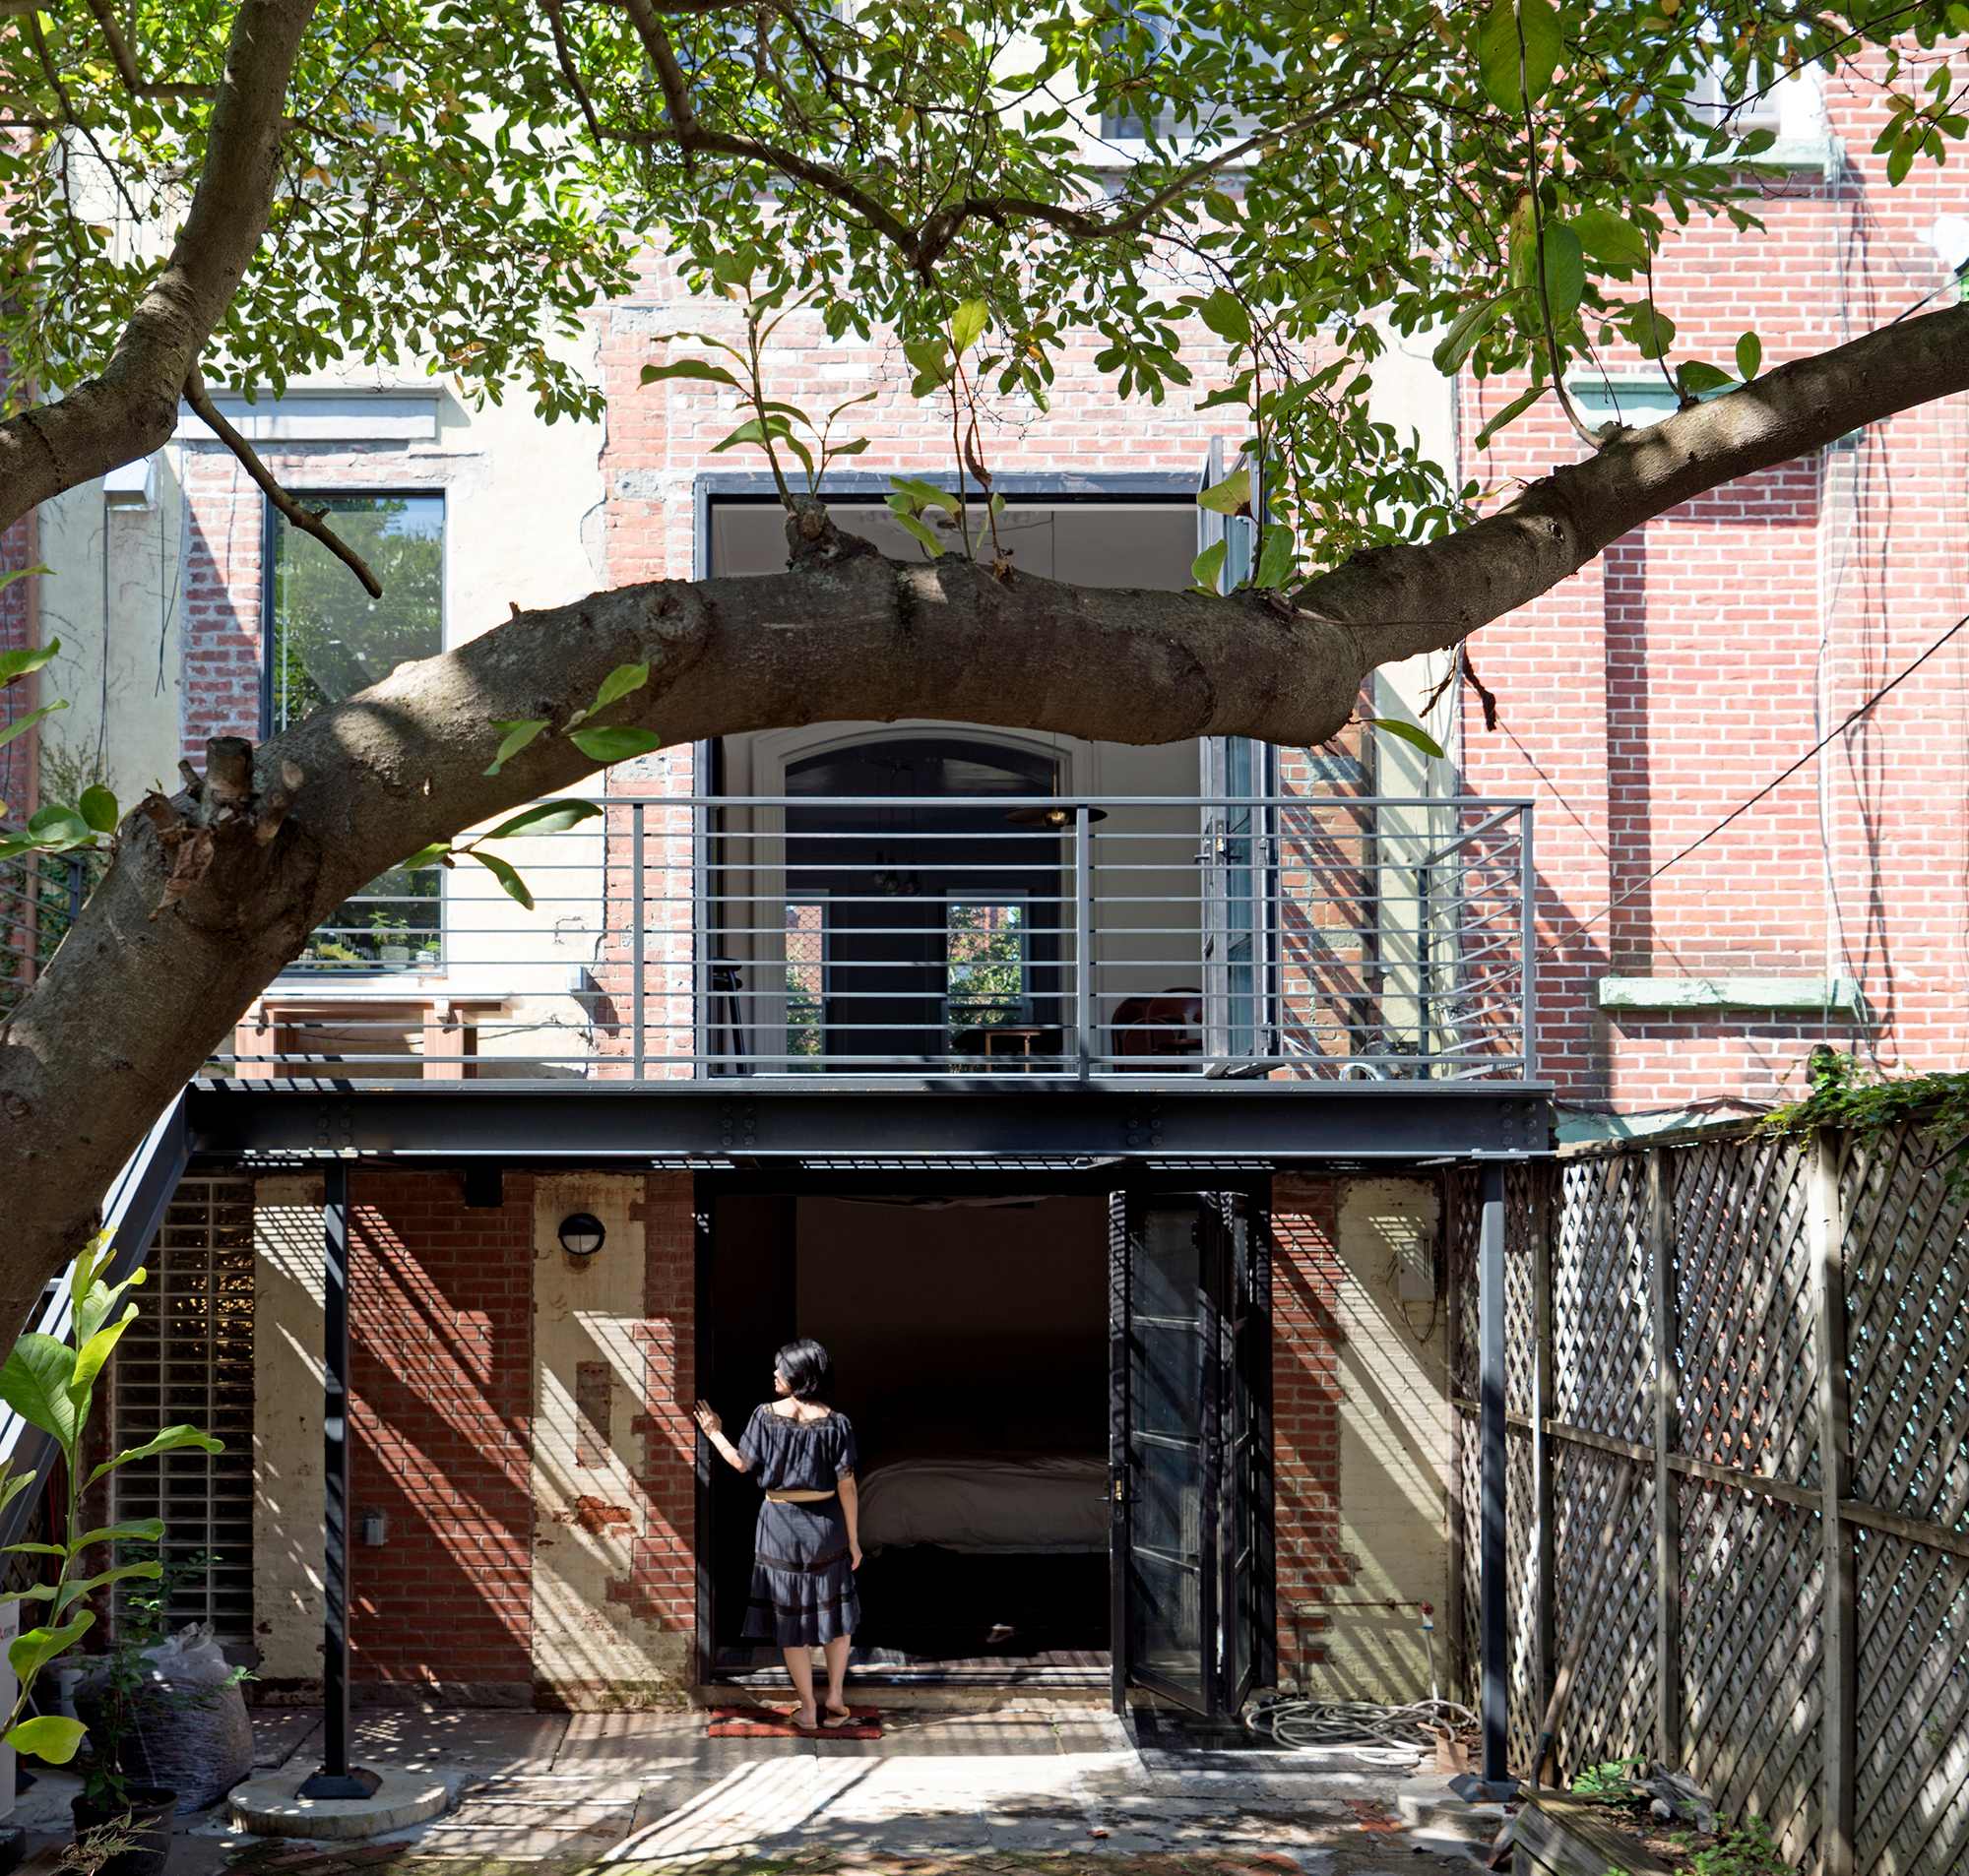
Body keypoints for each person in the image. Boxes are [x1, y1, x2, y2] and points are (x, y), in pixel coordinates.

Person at [693, 1338, 862, 1730]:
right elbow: (848, 1486)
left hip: (780, 1522)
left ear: (798, 1376)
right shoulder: (838, 1423)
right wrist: (854, 1539)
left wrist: (715, 1431)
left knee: (791, 1620)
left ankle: (808, 1708)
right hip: (827, 1525)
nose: (774, 1374)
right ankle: (835, 1695)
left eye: (780, 1369)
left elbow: (740, 1464)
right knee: (835, 1611)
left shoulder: (765, 1416)